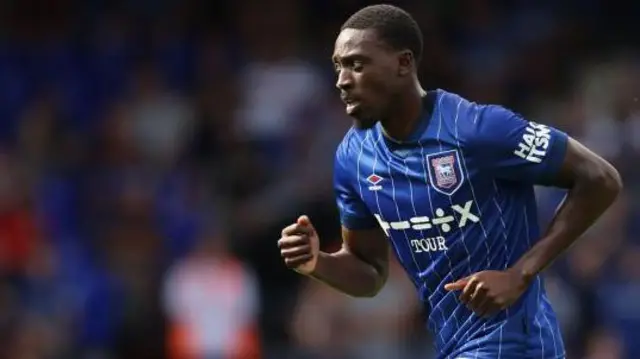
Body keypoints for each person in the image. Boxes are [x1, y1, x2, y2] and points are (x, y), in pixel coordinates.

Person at [277, 4, 622, 359]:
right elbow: (371, 273)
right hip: (453, 346)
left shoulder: (478, 129)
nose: (343, 80)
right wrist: (317, 262)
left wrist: (521, 274)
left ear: (404, 63)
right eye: (338, 66)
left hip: (516, 344)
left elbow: (600, 178)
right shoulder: (354, 157)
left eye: (357, 64)